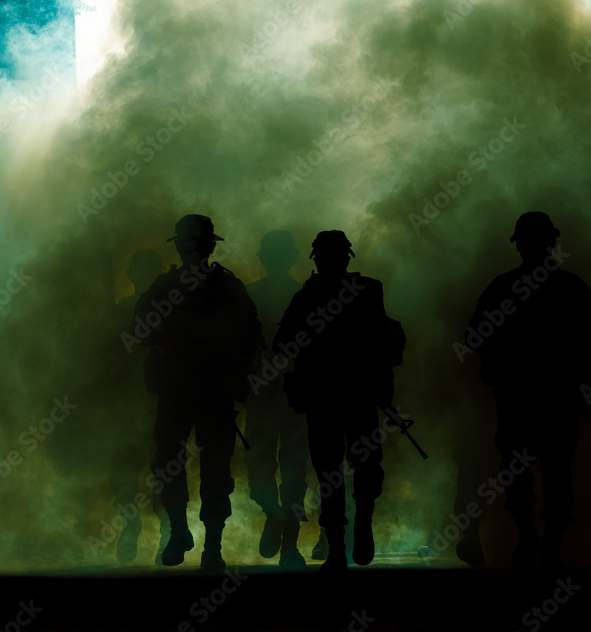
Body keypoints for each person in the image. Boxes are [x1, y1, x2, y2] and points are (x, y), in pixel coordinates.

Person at [468, 211, 591, 570]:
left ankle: (537, 543)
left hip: (527, 397)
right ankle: (541, 544)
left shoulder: (505, 286)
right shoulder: (569, 287)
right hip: (541, 397)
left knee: (533, 473)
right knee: (550, 473)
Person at [131, 214, 260, 571]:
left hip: (208, 391)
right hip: (181, 389)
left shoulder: (223, 287)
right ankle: (184, 535)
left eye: (194, 243)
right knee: (174, 467)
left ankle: (209, 544)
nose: (195, 250)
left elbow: (251, 337)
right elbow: (138, 330)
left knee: (209, 470)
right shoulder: (201, 286)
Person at [273, 230, 398, 573]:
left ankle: (353, 534)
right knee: (337, 472)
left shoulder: (345, 295)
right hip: (335, 398)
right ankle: (343, 542)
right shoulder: (324, 296)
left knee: (354, 471)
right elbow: (283, 346)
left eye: (334, 256)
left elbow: (386, 346)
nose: (332, 261)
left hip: (345, 397)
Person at [244, 231, 310, 568]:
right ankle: (277, 517)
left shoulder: (306, 295)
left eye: (281, 254)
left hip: (296, 395)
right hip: (262, 396)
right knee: (259, 476)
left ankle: (290, 543)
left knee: (295, 475)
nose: (275, 260)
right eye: (272, 254)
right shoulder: (250, 296)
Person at [109, 249, 170, 564]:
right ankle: (133, 526)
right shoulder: (120, 310)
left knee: (164, 472)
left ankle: (166, 533)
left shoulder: (171, 310)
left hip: (161, 401)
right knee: (124, 472)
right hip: (128, 403)